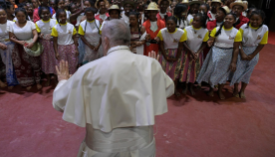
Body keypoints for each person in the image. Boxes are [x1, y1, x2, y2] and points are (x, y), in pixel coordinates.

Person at [53, 19, 175, 157]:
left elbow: (60, 102)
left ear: (105, 41)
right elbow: (168, 89)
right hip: (141, 145)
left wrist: (63, 81)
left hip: (102, 147)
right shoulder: (150, 65)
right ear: (128, 40)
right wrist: (153, 75)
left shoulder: (87, 70)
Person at [197, 13, 242, 100]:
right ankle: (211, 88)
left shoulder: (237, 32)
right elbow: (211, 40)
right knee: (213, 70)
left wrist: (233, 61)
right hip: (215, 51)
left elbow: (236, 48)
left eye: (230, 19)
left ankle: (220, 90)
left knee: (224, 73)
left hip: (228, 53)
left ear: (234, 21)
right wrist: (210, 42)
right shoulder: (217, 29)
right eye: (226, 18)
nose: (227, 20)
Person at [230, 10, 268, 98]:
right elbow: (238, 41)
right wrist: (242, 53)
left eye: (257, 19)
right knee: (238, 71)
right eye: (252, 19)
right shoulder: (244, 27)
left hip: (254, 51)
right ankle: (235, 87)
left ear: (262, 20)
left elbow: (262, 43)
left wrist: (253, 54)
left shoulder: (265, 28)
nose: (254, 21)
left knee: (248, 72)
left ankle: (242, 90)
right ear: (249, 19)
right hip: (242, 49)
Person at [9, 8, 42, 90]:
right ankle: (28, 82)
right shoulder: (12, 25)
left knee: (35, 63)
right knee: (23, 65)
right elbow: (11, 37)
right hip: (19, 47)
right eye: (18, 16)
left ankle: (38, 81)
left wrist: (32, 42)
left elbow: (35, 35)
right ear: (15, 16)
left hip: (31, 44)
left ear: (25, 15)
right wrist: (19, 42)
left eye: (23, 16)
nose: (21, 18)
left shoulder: (30, 23)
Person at [178, 13, 209, 95]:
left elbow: (204, 43)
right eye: (193, 20)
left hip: (197, 53)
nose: (194, 22)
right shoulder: (187, 29)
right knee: (185, 70)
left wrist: (198, 52)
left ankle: (191, 87)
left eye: (197, 20)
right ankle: (185, 86)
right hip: (187, 52)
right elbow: (183, 41)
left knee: (194, 70)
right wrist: (190, 51)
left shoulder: (205, 31)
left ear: (202, 23)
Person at [0, 2, 19, 89]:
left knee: (16, 62)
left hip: (13, 44)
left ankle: (19, 80)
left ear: (6, 14)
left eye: (3, 14)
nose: (2, 16)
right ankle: (11, 81)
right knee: (7, 64)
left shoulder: (11, 23)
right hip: (3, 46)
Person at [157, 16, 187, 95]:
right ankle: (164, 89)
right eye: (168, 24)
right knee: (164, 71)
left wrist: (177, 57)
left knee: (175, 72)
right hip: (165, 52)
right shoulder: (162, 32)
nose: (169, 26)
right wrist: (166, 56)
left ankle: (174, 88)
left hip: (177, 52)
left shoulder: (181, 32)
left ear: (176, 24)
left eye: (172, 24)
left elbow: (180, 46)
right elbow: (161, 45)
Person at [35, 6, 58, 86]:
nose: (45, 15)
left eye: (47, 13)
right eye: (43, 13)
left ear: (50, 13)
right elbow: (37, 33)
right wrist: (39, 35)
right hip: (44, 44)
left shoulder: (54, 21)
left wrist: (52, 35)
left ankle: (55, 78)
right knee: (45, 61)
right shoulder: (38, 23)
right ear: (40, 14)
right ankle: (48, 78)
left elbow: (57, 31)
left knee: (55, 61)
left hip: (53, 44)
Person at [52, 9, 79, 74]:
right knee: (63, 65)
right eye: (61, 16)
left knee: (73, 64)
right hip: (61, 48)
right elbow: (55, 42)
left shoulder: (71, 26)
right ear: (58, 17)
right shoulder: (55, 28)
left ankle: (72, 79)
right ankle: (65, 80)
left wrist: (76, 49)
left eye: (64, 16)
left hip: (71, 47)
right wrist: (56, 52)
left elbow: (74, 38)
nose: (63, 18)